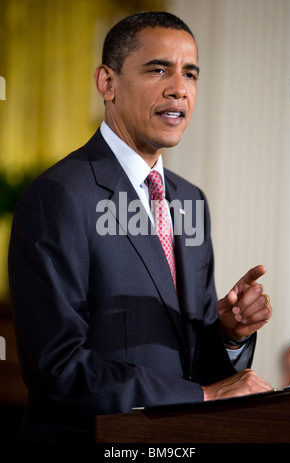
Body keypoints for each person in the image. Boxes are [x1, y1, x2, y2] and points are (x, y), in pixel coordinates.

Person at [8, 11, 273, 443]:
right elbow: (56, 366)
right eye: (158, 69)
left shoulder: (190, 199)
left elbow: (193, 368)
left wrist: (226, 335)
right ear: (106, 83)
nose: (179, 88)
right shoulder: (59, 196)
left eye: (191, 73)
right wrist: (202, 398)